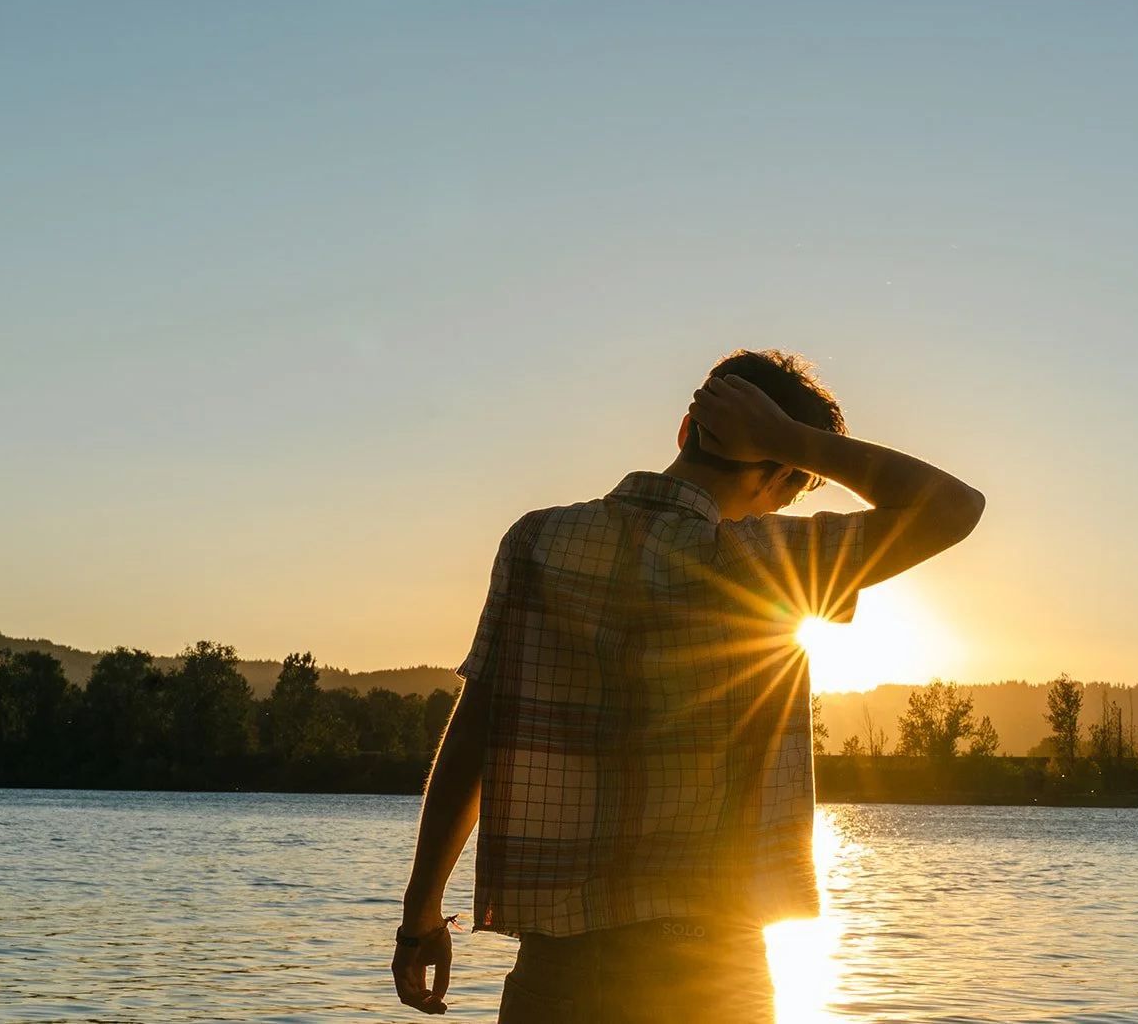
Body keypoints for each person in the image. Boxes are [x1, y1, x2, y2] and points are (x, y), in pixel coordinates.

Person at [392, 349, 984, 1021]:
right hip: (711, 976)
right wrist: (793, 440)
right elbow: (955, 507)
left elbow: (473, 734)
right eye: (790, 488)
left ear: (683, 430)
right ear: (782, 475)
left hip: (558, 973)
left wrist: (421, 914)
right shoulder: (766, 561)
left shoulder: (534, 543)